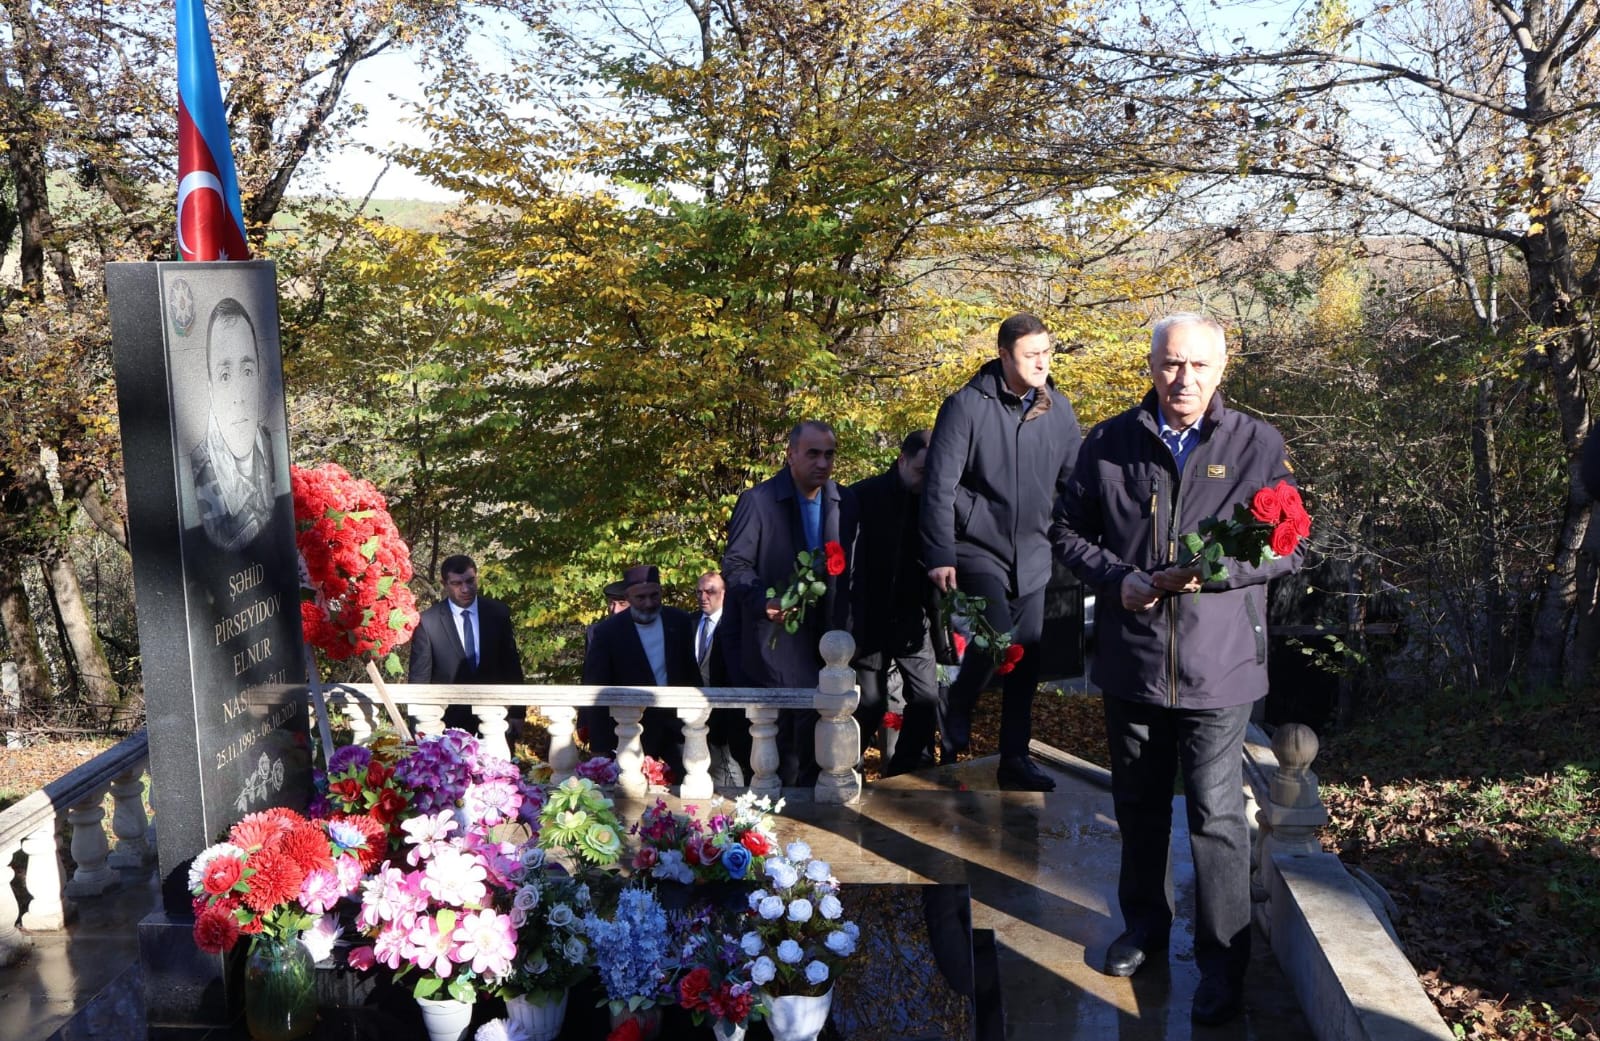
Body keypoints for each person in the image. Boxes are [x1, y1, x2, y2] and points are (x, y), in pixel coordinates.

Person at [1049, 313, 1304, 1026]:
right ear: (1151, 365)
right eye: (1169, 363)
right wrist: (1117, 576)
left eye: (1196, 365)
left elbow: (1290, 546)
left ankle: (1224, 962)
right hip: (1132, 661)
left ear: (1221, 369)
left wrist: (1213, 573)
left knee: (1218, 816)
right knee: (1137, 802)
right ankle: (1144, 927)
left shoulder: (1256, 444)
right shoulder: (1108, 441)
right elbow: (1066, 531)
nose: (1182, 378)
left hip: (1218, 666)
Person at [921, 313, 1082, 791]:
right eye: (1030, 355)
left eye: (1046, 352)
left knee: (1025, 658)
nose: (1041, 362)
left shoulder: (1059, 410)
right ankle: (957, 701)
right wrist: (939, 552)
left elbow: (1076, 484)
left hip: (1033, 554)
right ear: (1004, 355)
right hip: (975, 548)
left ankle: (1014, 759)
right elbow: (938, 487)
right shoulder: (966, 406)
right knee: (997, 633)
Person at [721, 420, 859, 786]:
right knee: (785, 748)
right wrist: (763, 599)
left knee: (824, 744)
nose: (823, 463)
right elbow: (735, 564)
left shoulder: (844, 501)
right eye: (813, 453)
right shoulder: (760, 501)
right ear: (791, 455)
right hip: (777, 641)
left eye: (829, 454)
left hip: (831, 642)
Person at [851, 429, 942, 775]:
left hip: (912, 618)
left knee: (926, 698)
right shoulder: (863, 496)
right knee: (870, 705)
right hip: (870, 619)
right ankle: (844, 766)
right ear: (902, 460)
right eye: (921, 471)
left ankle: (901, 771)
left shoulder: (933, 501)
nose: (926, 479)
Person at [581, 565, 697, 781]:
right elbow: (595, 687)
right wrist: (598, 746)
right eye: (641, 597)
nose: (649, 603)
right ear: (628, 597)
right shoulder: (608, 632)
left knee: (691, 785)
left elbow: (691, 671)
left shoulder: (679, 622)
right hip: (630, 729)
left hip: (677, 726)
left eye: (655, 595)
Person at [191, 297, 275, 552]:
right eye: (225, 376)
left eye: (247, 371)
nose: (239, 396)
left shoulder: (270, 445)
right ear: (211, 390)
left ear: (259, 377)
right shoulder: (197, 472)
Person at [408, 554, 526, 733]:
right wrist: (416, 727)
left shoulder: (497, 613)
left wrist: (518, 712)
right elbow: (419, 679)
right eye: (457, 583)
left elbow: (511, 664)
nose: (465, 589)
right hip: (446, 724)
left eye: (470, 581)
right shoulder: (428, 622)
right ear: (444, 584)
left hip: (494, 719)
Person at [694, 570, 750, 785]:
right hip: (695, 718)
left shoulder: (739, 626)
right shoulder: (688, 622)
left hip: (729, 719)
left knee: (730, 776)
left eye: (710, 591)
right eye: (699, 592)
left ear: (725, 594)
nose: (703, 596)